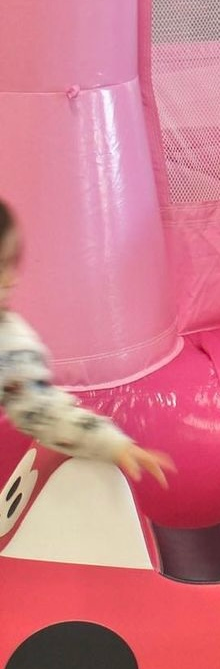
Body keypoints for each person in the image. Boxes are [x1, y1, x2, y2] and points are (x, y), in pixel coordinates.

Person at [0, 198, 173, 486]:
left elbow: (43, 410)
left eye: (10, 265)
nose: (11, 280)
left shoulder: (10, 345)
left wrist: (111, 444)